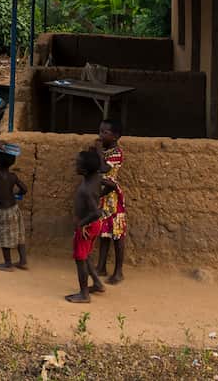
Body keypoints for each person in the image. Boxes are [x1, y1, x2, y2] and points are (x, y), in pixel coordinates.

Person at [67, 148, 107, 303]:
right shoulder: (96, 178)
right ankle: (97, 283)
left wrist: (82, 225)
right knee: (86, 255)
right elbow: (110, 184)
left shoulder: (86, 190)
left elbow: (96, 213)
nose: (74, 165)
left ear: (83, 170)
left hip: (86, 227)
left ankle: (84, 294)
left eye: (77, 164)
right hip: (94, 225)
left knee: (80, 259)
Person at [94, 118, 128, 283]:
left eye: (104, 132)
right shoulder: (106, 150)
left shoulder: (117, 153)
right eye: (100, 131)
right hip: (102, 196)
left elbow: (103, 169)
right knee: (104, 233)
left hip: (112, 198)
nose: (100, 135)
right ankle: (101, 267)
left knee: (117, 235)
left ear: (115, 136)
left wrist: (98, 151)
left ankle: (118, 272)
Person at [0, 143, 28, 271]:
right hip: (14, 209)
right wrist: (16, 195)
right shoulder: (12, 176)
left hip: (4, 213)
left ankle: (8, 264)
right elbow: (24, 189)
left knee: (4, 237)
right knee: (20, 235)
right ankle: (22, 261)